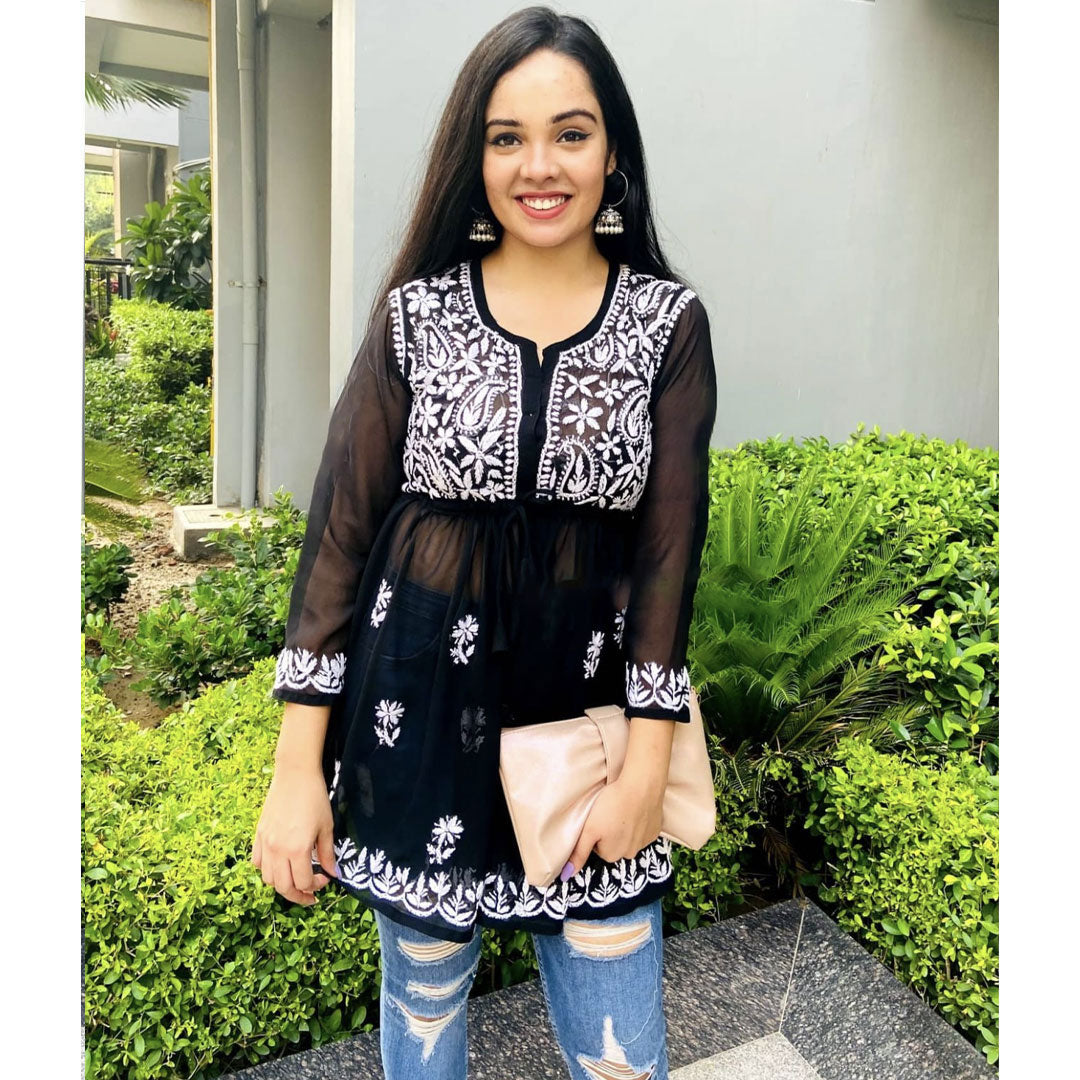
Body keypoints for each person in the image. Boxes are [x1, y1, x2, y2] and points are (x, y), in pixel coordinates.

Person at [251, 7, 717, 1078]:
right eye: (507, 137)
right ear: (475, 155)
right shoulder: (416, 317)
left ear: (612, 152)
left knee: (619, 1048)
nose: (538, 166)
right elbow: (339, 540)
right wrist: (295, 769)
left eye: (570, 133)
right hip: (418, 723)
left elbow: (668, 557)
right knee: (422, 1017)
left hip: (590, 736)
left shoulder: (668, 325)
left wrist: (646, 772)